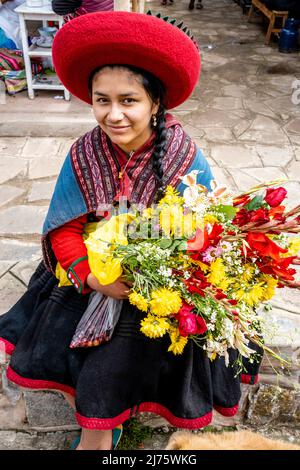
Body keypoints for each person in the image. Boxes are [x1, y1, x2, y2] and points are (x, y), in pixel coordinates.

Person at [0, 11, 261, 451]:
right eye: (102, 100)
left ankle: (106, 428)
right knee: (71, 333)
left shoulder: (183, 157)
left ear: (155, 103)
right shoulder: (84, 153)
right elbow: (65, 230)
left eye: (129, 101)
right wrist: (94, 277)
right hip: (93, 275)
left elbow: (204, 235)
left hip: (159, 282)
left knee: (131, 346)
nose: (114, 114)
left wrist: (152, 277)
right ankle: (101, 432)